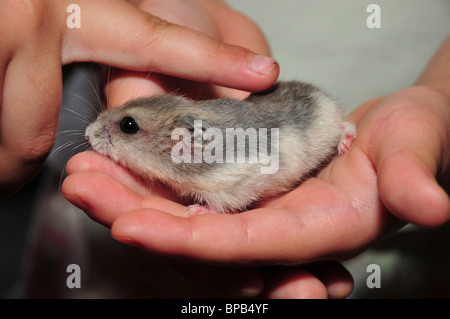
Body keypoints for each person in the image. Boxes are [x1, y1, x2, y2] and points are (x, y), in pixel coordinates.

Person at [2, 0, 449, 298]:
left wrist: (440, 93)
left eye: (129, 127)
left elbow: (242, 181)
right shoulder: (183, 151)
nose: (97, 133)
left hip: (313, 114)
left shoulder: (214, 161)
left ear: (178, 141)